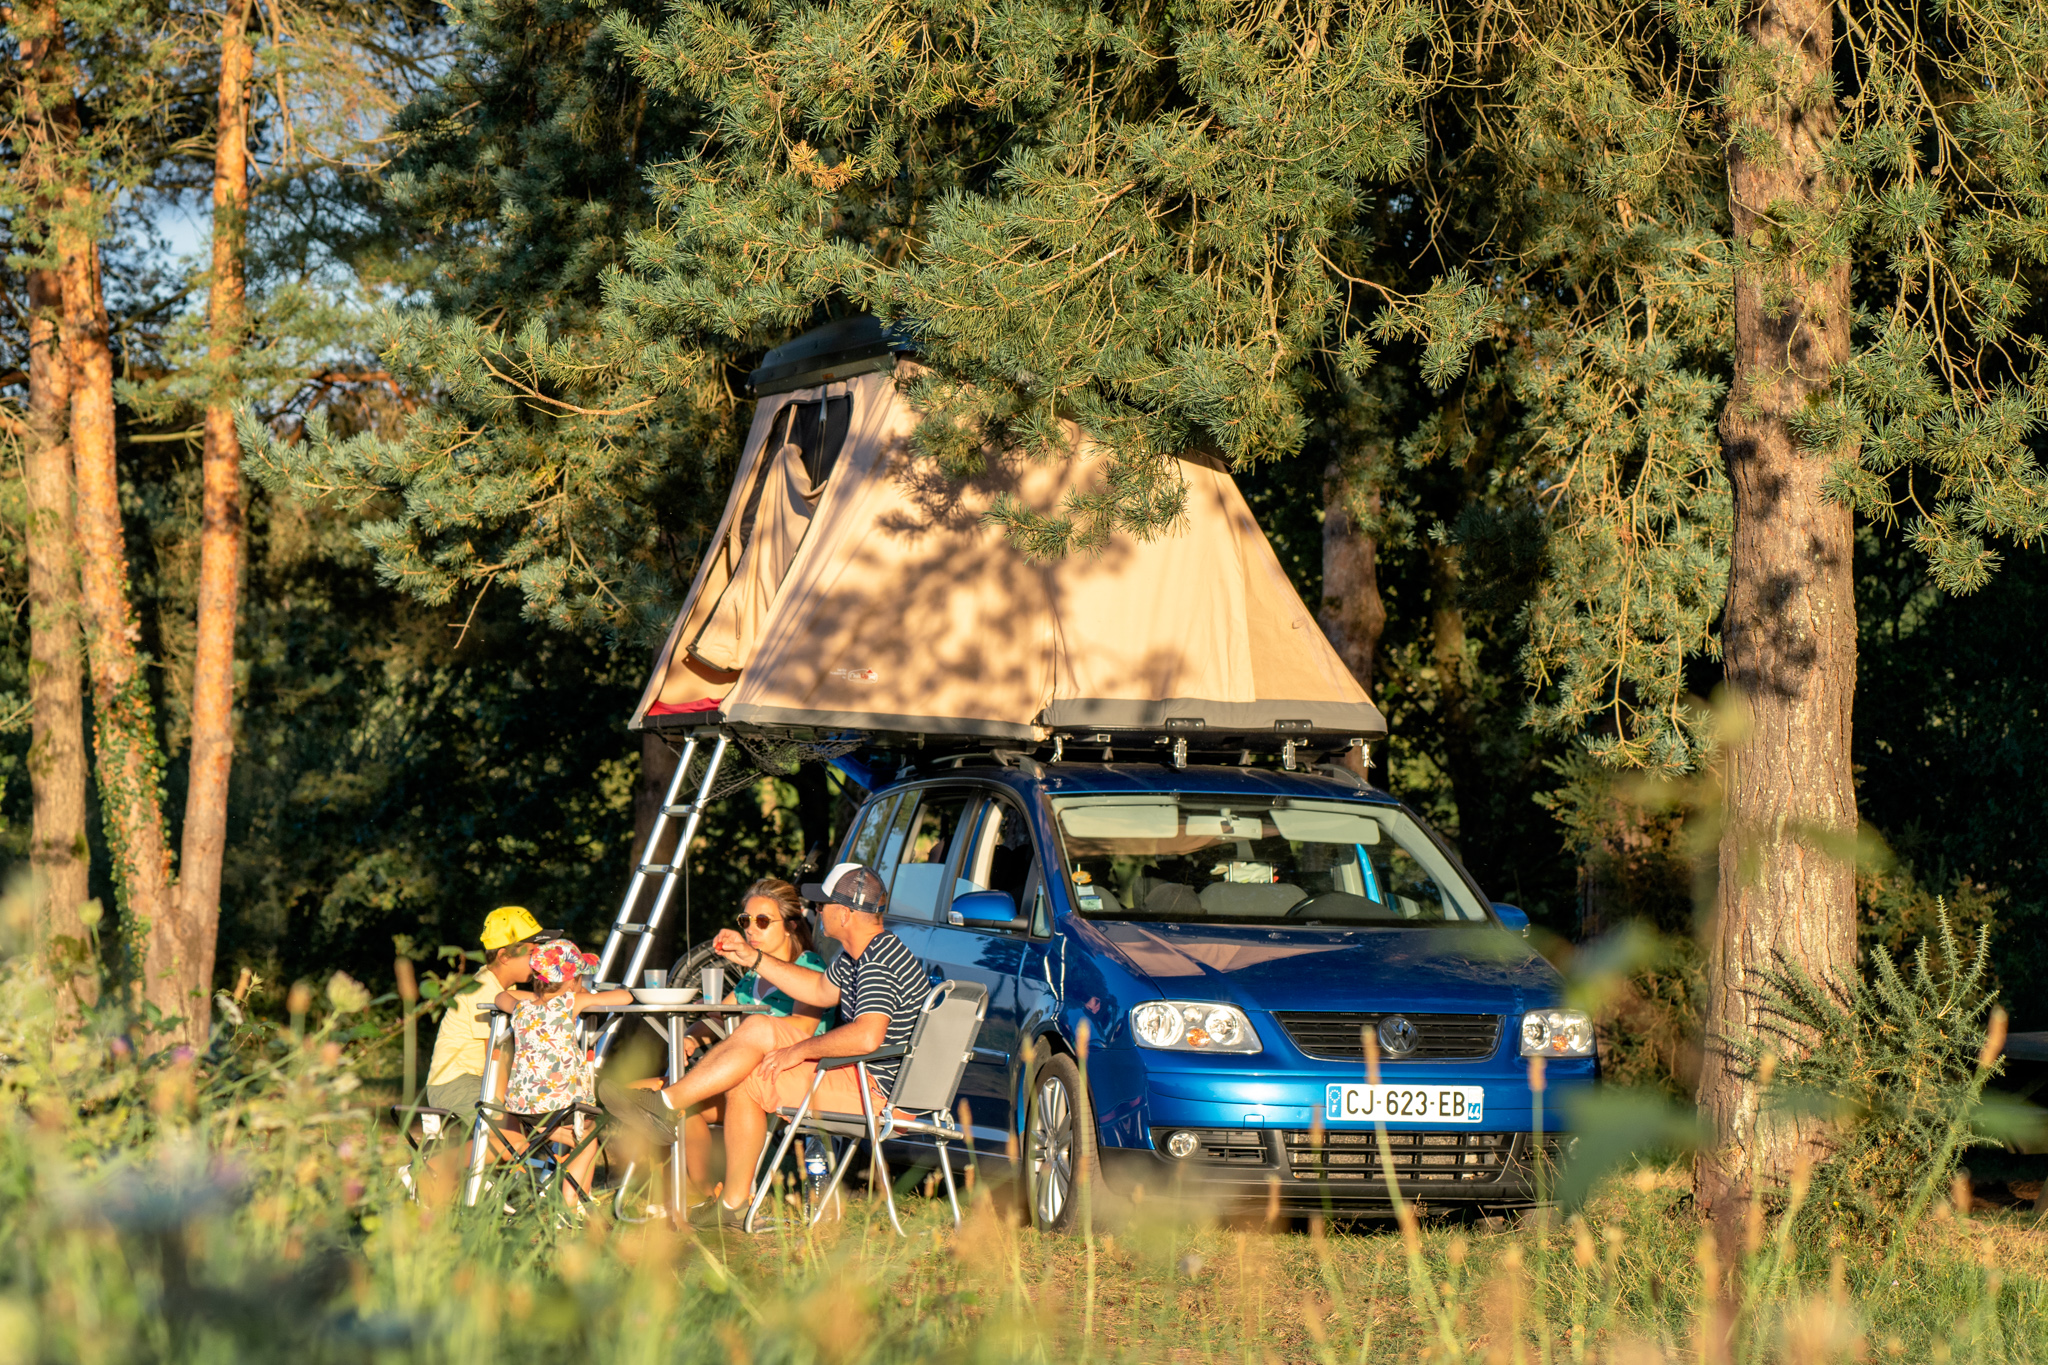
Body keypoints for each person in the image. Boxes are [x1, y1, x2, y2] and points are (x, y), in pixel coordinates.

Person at [695, 862, 930, 1229]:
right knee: (752, 1068)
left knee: (750, 1079)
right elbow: (817, 991)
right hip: (872, 1082)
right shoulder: (858, 957)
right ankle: (733, 1200)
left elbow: (868, 1035)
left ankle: (733, 1202)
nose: (816, 912)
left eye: (823, 905)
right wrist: (753, 958)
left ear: (846, 913)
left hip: (880, 1094)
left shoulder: (877, 960)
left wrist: (800, 1050)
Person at [599, 878, 831, 1205]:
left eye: (762, 921)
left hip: (783, 1079)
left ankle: (696, 1195)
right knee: (640, 1095)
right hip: (741, 1076)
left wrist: (748, 1036)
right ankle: (697, 1195)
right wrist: (691, 1039)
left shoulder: (808, 967)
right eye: (744, 921)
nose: (751, 929)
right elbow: (717, 1018)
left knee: (663, 1101)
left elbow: (804, 1029)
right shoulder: (753, 976)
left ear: (791, 926)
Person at [494, 939, 634, 1209]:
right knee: (589, 1137)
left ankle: (566, 1196)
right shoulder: (571, 1003)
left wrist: (528, 998)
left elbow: (501, 996)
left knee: (572, 1134)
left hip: (524, 1111)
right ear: (571, 982)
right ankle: (572, 1204)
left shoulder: (522, 1009)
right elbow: (624, 998)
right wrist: (617, 990)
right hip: (562, 1108)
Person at [423, 905, 556, 1143]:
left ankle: (491, 1175)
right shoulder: (484, 989)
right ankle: (425, 1169)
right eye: (532, 953)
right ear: (504, 956)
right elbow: (494, 1058)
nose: (539, 961)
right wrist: (511, 1105)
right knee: (509, 1140)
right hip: (456, 1082)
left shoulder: (506, 990)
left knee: (523, 1133)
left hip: (477, 1080)